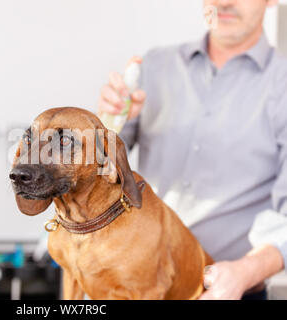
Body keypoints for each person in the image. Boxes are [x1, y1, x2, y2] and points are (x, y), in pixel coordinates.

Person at [98, 0, 287, 299]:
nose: (223, 3)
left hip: (227, 289)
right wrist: (110, 123)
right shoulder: (155, 67)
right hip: (139, 282)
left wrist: (246, 272)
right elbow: (101, 172)